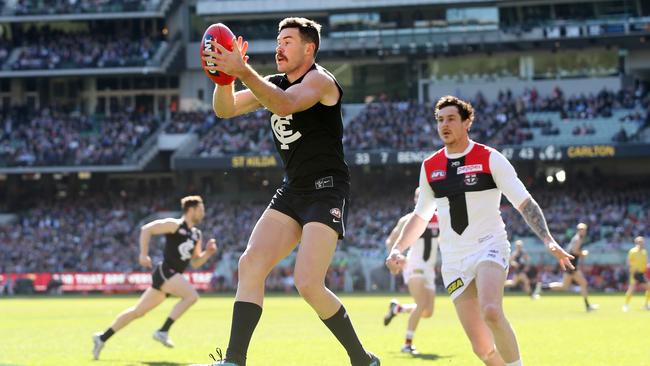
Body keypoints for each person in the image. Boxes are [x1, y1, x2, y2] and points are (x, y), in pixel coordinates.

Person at [199, 17, 379, 366]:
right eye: (278, 40)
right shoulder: (273, 83)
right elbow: (225, 109)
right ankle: (234, 360)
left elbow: (284, 104)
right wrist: (226, 77)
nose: (279, 46)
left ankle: (362, 359)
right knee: (250, 263)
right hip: (293, 189)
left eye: (288, 41)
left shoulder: (321, 81)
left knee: (308, 283)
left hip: (326, 189)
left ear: (309, 48)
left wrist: (244, 70)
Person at [386, 95, 575, 366]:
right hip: (453, 261)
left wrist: (548, 240)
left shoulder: (489, 158)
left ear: (467, 122)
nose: (444, 125)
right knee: (483, 349)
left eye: (451, 119)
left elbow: (524, 202)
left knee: (491, 311)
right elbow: (420, 216)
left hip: (490, 245)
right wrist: (397, 249)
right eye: (440, 120)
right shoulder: (430, 167)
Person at [92, 196, 217, 360]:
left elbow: (195, 262)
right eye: (200, 209)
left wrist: (207, 253)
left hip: (172, 276)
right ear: (191, 210)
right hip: (166, 271)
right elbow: (146, 229)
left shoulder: (196, 234)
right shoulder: (175, 224)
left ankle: (102, 337)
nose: (203, 213)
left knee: (138, 312)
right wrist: (143, 254)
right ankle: (163, 330)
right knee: (192, 296)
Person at [383, 188, 438, 355]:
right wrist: (397, 259)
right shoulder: (409, 220)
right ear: (415, 200)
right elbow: (390, 241)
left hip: (429, 268)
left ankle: (397, 309)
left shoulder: (440, 218)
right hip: (414, 265)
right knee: (421, 304)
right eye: (418, 197)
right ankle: (407, 344)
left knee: (427, 312)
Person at [544, 223, 598, 311]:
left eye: (584, 229)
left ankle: (544, 287)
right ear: (579, 230)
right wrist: (583, 254)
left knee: (564, 286)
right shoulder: (578, 239)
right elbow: (574, 251)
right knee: (583, 283)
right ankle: (588, 306)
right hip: (571, 265)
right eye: (582, 229)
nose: (583, 231)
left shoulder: (577, 238)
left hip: (571, 264)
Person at [623, 236, 649, 312]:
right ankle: (626, 305)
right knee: (631, 289)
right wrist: (633, 269)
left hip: (641, 273)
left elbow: (645, 263)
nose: (641, 243)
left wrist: (646, 267)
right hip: (634, 273)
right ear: (636, 243)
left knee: (649, 288)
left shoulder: (644, 252)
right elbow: (628, 262)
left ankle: (646, 304)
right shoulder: (633, 251)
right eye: (639, 242)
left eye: (642, 242)